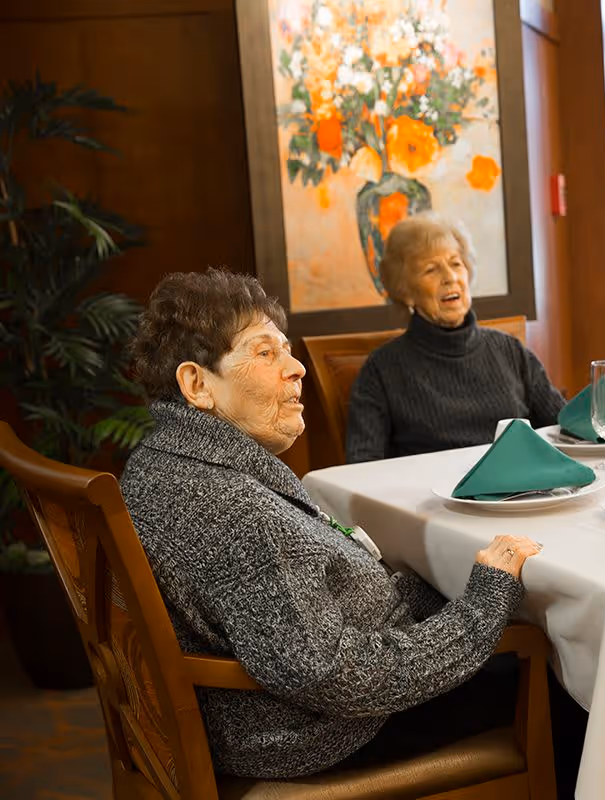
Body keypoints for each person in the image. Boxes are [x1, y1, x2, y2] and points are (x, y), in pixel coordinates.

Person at [121, 268, 543, 779]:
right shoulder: (234, 509)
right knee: (555, 673)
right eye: (265, 352)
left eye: (287, 350)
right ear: (196, 383)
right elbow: (332, 675)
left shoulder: (158, 460)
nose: (296, 368)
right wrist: (482, 606)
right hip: (321, 732)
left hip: (269, 714)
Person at [345, 213, 564, 462]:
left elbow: (564, 429)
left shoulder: (510, 351)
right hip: (428, 499)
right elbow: (362, 465)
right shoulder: (381, 370)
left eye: (456, 263)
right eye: (431, 269)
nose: (450, 277)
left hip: (521, 494)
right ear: (405, 291)